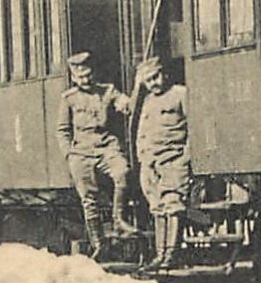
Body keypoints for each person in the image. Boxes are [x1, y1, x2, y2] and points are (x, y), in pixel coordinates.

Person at [56, 50, 136, 256]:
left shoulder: (107, 91)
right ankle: (99, 245)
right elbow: (62, 130)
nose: (85, 80)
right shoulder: (69, 99)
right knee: (88, 200)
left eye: (88, 75)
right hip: (81, 153)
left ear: (94, 73)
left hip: (106, 147)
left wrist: (127, 100)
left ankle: (119, 220)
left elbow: (125, 104)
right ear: (73, 77)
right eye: (80, 77)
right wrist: (69, 155)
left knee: (123, 173)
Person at [133, 56, 191, 271]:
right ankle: (159, 255)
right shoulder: (148, 100)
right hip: (150, 164)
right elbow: (141, 130)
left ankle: (171, 254)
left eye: (156, 77)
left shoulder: (180, 94)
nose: (154, 83)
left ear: (164, 73)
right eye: (148, 81)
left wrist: (185, 157)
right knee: (157, 208)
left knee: (173, 205)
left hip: (173, 160)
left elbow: (193, 127)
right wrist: (142, 157)